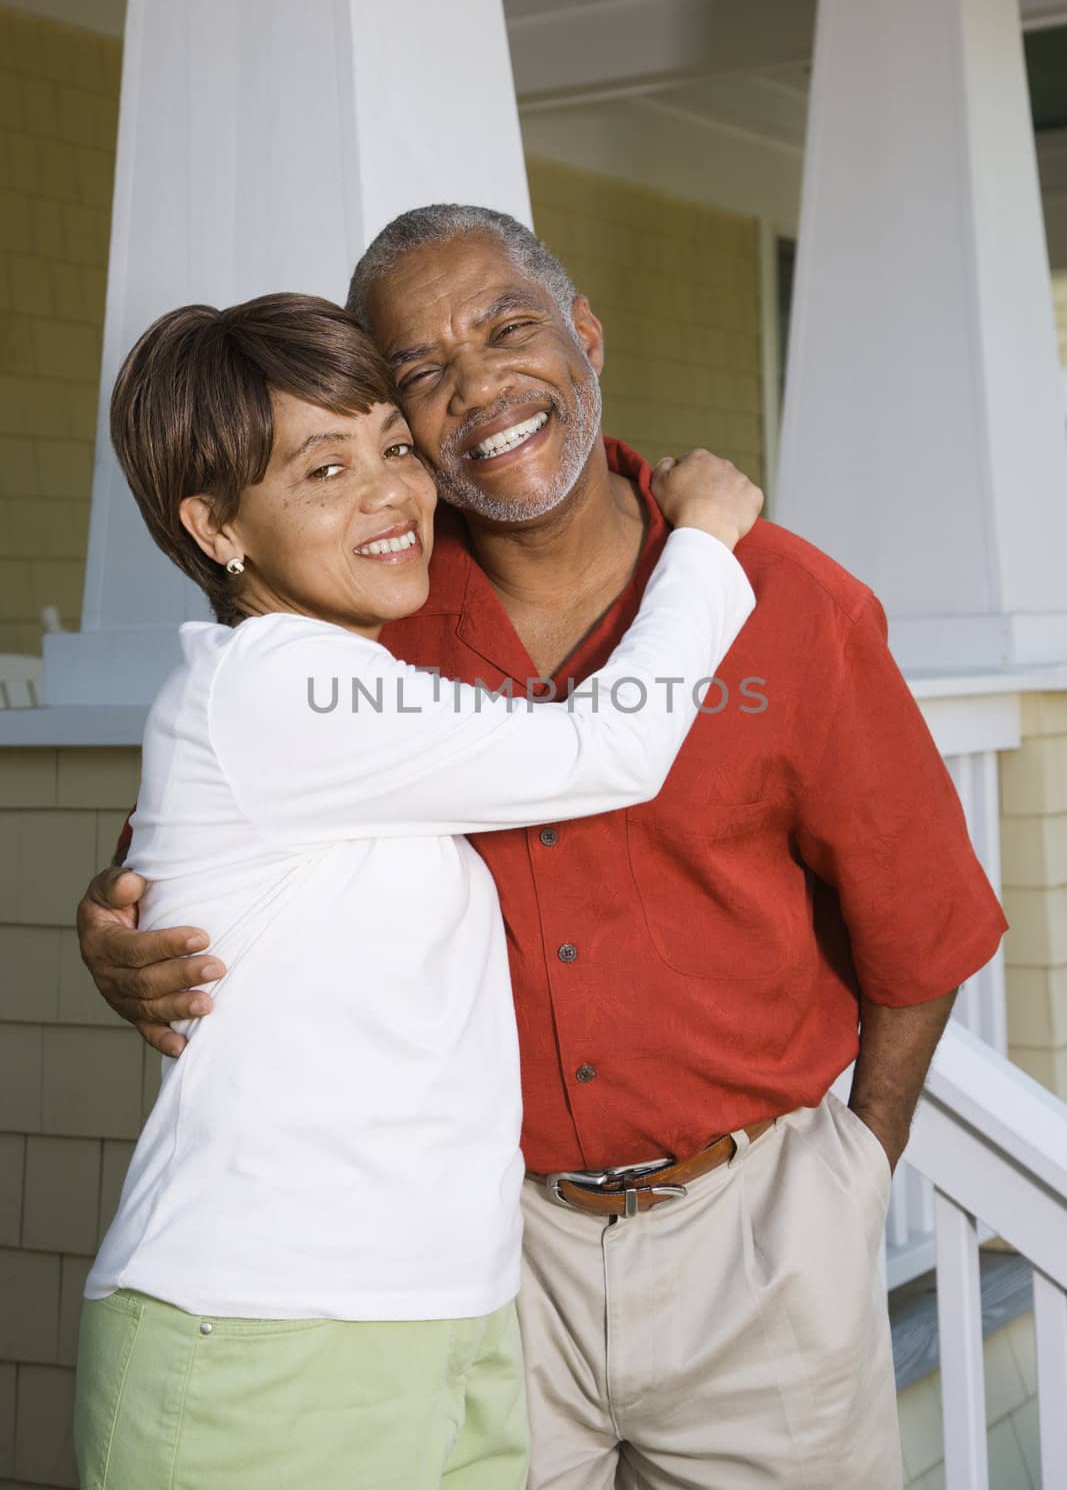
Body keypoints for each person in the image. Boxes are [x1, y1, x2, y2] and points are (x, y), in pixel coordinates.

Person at [77, 208, 1007, 1490]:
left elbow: (923, 917)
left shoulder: (785, 601)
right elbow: (190, 851)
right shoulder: (368, 606)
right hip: (486, 1258)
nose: (473, 389)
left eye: (505, 327)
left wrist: (853, 1171)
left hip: (750, 1235)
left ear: (585, 335)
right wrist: (114, 932)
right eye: (417, 372)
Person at [72, 290, 760, 1490]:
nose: (390, 491)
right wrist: (700, 536)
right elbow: (605, 749)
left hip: (447, 1312)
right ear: (215, 526)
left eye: (394, 445)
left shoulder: (341, 684)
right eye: (324, 467)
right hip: (265, 1334)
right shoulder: (275, 683)